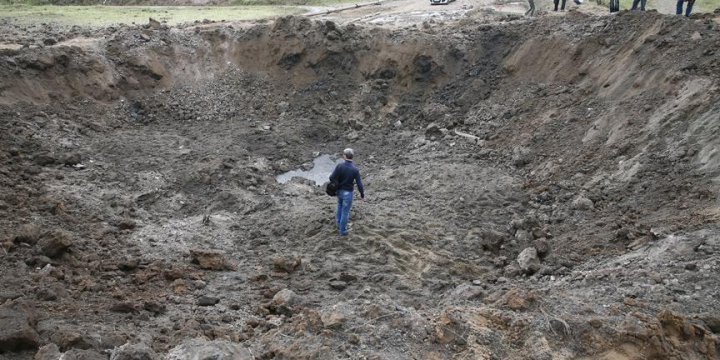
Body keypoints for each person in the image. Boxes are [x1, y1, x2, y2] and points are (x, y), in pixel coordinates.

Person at [329, 148, 365, 236]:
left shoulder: (339, 166)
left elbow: (331, 177)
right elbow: (359, 184)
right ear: (352, 156)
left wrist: (336, 184)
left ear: (344, 156)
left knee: (339, 206)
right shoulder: (355, 170)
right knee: (345, 212)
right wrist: (362, 195)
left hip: (339, 191)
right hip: (348, 193)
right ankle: (343, 231)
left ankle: (338, 224)